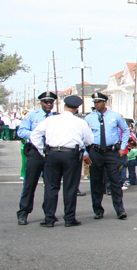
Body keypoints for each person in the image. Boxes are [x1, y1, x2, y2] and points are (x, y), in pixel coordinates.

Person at [29, 95, 94, 227]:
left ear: (64, 106)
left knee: (51, 187)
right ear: (77, 109)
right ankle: (69, 218)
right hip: (71, 155)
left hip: (52, 153)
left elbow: (34, 135)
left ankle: (49, 218)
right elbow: (89, 140)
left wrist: (42, 151)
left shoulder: (51, 119)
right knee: (70, 187)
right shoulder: (80, 122)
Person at [85, 92, 129, 220]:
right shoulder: (89, 118)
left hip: (112, 152)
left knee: (115, 181)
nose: (96, 104)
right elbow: (83, 135)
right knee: (96, 182)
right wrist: (85, 152)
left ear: (105, 102)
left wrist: (122, 148)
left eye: (99, 102)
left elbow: (126, 130)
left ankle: (120, 209)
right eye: (95, 102)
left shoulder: (115, 116)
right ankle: (98, 209)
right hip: (96, 151)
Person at [16, 92, 57, 225]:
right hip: (35, 152)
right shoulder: (32, 116)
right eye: (46, 102)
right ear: (41, 103)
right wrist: (37, 134)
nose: (49, 104)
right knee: (30, 183)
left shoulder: (56, 118)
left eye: (51, 102)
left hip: (51, 152)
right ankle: (23, 212)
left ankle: (49, 214)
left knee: (51, 185)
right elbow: (21, 131)